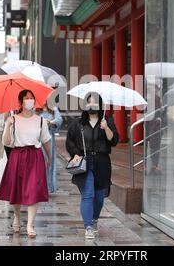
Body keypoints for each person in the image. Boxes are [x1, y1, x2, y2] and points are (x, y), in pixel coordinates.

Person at [0, 90, 52, 237]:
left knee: (33, 189)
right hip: (17, 155)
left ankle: (30, 224)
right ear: (20, 102)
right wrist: (8, 125)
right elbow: (6, 142)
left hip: (35, 156)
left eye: (32, 98)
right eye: (26, 98)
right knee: (16, 189)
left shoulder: (40, 120)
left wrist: (49, 157)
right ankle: (17, 216)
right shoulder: (13, 119)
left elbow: (46, 140)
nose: (30, 100)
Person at [65, 93, 119, 240]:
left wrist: (106, 128)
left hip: (102, 162)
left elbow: (114, 141)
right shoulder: (78, 123)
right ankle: (88, 226)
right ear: (85, 105)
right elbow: (70, 142)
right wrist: (75, 153)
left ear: (100, 105)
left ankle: (94, 219)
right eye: (89, 103)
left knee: (99, 197)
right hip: (84, 161)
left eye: (95, 103)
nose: (91, 105)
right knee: (88, 194)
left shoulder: (107, 121)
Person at [36, 104, 63, 193]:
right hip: (37, 139)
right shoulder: (35, 109)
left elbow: (59, 120)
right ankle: (38, 187)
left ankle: (48, 186)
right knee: (38, 164)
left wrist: (50, 122)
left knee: (49, 163)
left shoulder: (54, 109)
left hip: (49, 139)